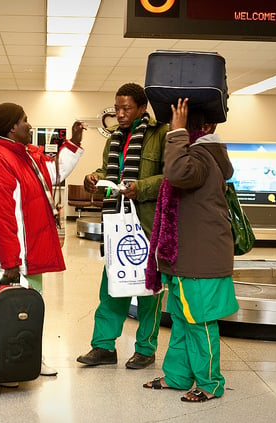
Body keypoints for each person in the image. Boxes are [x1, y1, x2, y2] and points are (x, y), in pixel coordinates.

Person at [0, 102, 85, 382]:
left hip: (26, 252)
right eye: (25, 120)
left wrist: (73, 144)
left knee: (27, 311)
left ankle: (27, 357)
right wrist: (10, 261)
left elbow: (54, 173)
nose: (30, 125)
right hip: (6, 259)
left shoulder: (24, 156)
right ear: (11, 127)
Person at [143, 98, 238, 402]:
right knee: (183, 320)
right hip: (185, 258)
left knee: (199, 323)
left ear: (204, 127)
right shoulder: (199, 154)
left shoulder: (201, 156)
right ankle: (178, 376)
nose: (175, 126)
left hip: (201, 260)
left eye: (183, 122)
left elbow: (178, 173)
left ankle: (210, 384)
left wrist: (176, 133)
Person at [76, 83, 168, 370]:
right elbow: (108, 171)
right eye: (117, 108)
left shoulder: (161, 134)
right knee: (112, 285)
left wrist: (140, 188)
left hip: (148, 223)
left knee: (148, 290)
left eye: (126, 108)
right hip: (117, 223)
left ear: (142, 108)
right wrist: (94, 177)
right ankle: (103, 346)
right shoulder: (114, 137)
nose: (120, 114)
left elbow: (170, 177)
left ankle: (146, 349)